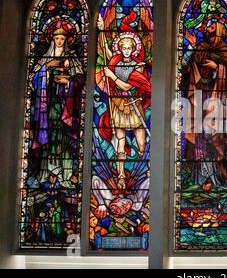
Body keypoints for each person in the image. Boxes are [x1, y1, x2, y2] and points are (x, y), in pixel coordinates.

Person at [179, 19, 227, 189]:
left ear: (218, 30)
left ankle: (215, 176)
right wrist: (192, 46)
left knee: (214, 136)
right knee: (198, 136)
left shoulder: (224, 51)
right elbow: (184, 65)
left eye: (211, 27)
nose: (207, 29)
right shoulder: (200, 47)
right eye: (208, 26)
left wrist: (217, 67)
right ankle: (198, 178)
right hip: (198, 97)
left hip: (216, 100)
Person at [97, 16, 151, 189]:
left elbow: (128, 86)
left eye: (129, 48)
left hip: (134, 105)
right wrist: (101, 30)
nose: (126, 50)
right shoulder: (114, 61)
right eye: (124, 48)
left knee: (141, 143)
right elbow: (105, 50)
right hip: (119, 105)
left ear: (134, 49)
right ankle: (121, 175)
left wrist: (112, 76)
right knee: (120, 139)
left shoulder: (138, 66)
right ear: (120, 48)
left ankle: (149, 166)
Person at [28, 26, 85, 185]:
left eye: (62, 39)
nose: (59, 41)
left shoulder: (72, 59)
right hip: (46, 107)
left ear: (66, 40)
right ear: (52, 40)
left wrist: (69, 82)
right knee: (48, 138)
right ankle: (46, 173)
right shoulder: (44, 59)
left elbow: (81, 79)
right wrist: (47, 67)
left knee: (64, 139)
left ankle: (65, 174)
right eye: (57, 38)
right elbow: (33, 80)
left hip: (66, 106)